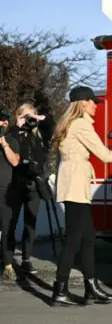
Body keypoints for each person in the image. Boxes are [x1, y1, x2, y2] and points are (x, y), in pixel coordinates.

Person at [50, 86, 112, 307]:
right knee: (73, 240)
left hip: (74, 184)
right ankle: (59, 290)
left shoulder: (71, 124)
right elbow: (104, 154)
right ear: (84, 103)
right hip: (76, 186)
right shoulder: (80, 124)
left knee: (88, 238)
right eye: (93, 102)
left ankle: (91, 287)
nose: (96, 105)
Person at [3, 104, 49, 275]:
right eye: (26, 117)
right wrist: (18, 125)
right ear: (18, 117)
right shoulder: (12, 134)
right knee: (11, 224)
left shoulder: (38, 136)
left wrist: (38, 121)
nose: (29, 121)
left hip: (33, 184)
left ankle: (26, 259)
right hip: (14, 184)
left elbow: (50, 128)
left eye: (32, 117)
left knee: (31, 223)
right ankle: (7, 261)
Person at [0, 107, 20, 281]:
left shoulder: (12, 140)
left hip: (7, 192)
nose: (5, 122)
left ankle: (8, 265)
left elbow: (15, 161)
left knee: (8, 230)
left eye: (6, 119)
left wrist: (3, 143)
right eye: (1, 119)